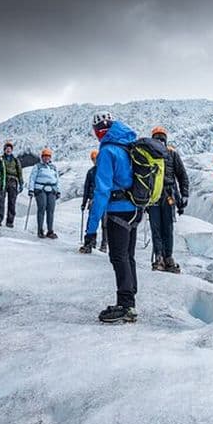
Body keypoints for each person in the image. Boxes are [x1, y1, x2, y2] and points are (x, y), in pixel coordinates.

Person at [80, 112, 143, 324]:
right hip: (134, 208)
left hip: (118, 210)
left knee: (118, 256)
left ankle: (126, 305)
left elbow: (102, 191)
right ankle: (130, 300)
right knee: (128, 255)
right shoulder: (128, 145)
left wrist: (91, 229)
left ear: (98, 132)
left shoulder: (108, 151)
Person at [147, 125, 189, 273]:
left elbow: (182, 176)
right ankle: (165, 257)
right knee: (164, 227)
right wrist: (184, 196)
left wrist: (184, 195)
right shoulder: (170, 154)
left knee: (159, 227)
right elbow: (182, 176)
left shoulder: (152, 154)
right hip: (164, 195)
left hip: (158, 196)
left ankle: (162, 257)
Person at [28, 148, 60, 239]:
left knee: (50, 210)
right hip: (40, 189)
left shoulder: (53, 167)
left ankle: (50, 231)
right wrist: (31, 189)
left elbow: (57, 179)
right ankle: (40, 230)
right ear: (42, 157)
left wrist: (58, 190)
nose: (46, 158)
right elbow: (32, 178)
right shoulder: (37, 166)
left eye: (48, 156)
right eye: (45, 156)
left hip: (52, 189)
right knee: (42, 208)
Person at [82, 149, 108, 252]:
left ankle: (103, 244)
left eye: (96, 159)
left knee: (104, 223)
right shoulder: (91, 172)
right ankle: (91, 242)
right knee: (93, 222)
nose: (95, 161)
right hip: (94, 199)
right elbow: (86, 187)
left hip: (104, 199)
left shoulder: (105, 170)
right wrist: (84, 202)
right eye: (93, 159)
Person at [0, 141, 23, 228]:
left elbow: (19, 172)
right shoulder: (0, 159)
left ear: (12, 150)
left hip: (13, 181)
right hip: (3, 181)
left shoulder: (16, 160)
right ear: (4, 150)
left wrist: (21, 183)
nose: (8, 150)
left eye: (10, 149)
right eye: (7, 149)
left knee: (12, 202)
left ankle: (10, 221)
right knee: (0, 201)